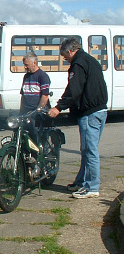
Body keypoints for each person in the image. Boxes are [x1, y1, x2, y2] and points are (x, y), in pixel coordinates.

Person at [48, 38, 108, 199]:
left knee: (90, 151)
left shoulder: (78, 63)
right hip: (100, 109)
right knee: (86, 150)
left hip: (89, 113)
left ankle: (92, 187)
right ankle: (81, 182)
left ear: (70, 51)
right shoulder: (90, 60)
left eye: (64, 55)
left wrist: (58, 107)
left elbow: (74, 90)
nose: (64, 59)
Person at [19, 52, 51, 143]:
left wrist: (38, 110)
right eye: (24, 65)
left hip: (35, 113)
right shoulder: (26, 76)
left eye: (26, 65)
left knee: (36, 135)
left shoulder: (42, 76)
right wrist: (20, 111)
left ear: (34, 63)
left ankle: (40, 154)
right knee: (21, 133)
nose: (25, 67)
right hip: (26, 112)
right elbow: (23, 95)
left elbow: (45, 96)